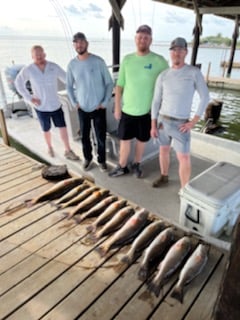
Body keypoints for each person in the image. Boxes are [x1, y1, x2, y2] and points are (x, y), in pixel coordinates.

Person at [108, 25, 169, 178]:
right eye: (140, 37)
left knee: (142, 140)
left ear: (151, 40)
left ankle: (136, 164)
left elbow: (167, 86)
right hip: (127, 110)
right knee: (125, 140)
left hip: (147, 112)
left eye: (146, 38)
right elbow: (119, 85)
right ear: (135, 39)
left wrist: (162, 113)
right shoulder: (127, 60)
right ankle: (122, 166)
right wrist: (117, 107)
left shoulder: (159, 61)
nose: (143, 40)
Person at [150, 37, 210, 189]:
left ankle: (184, 189)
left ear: (185, 52)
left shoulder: (193, 72)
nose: (177, 53)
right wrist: (153, 124)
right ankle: (164, 176)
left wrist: (194, 121)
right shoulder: (163, 75)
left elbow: (205, 97)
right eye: (174, 50)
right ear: (170, 53)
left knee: (183, 157)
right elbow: (156, 101)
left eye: (180, 50)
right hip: (162, 121)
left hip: (181, 123)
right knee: (163, 151)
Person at [14, 45, 79, 160]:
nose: (39, 57)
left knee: (62, 127)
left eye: (41, 54)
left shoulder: (53, 67)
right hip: (41, 107)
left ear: (45, 54)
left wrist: (80, 86)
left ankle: (68, 150)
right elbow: (18, 83)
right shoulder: (29, 69)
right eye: (36, 55)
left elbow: (67, 79)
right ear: (32, 56)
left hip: (55, 105)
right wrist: (29, 98)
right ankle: (49, 147)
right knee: (46, 129)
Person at [66, 32, 114, 172]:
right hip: (82, 108)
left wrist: (104, 102)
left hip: (99, 107)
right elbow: (69, 86)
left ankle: (102, 160)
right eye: (76, 42)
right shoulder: (72, 65)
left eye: (81, 41)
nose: (79, 44)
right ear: (74, 45)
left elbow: (109, 83)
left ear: (86, 43)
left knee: (100, 136)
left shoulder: (98, 61)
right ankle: (87, 158)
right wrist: (75, 103)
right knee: (84, 136)